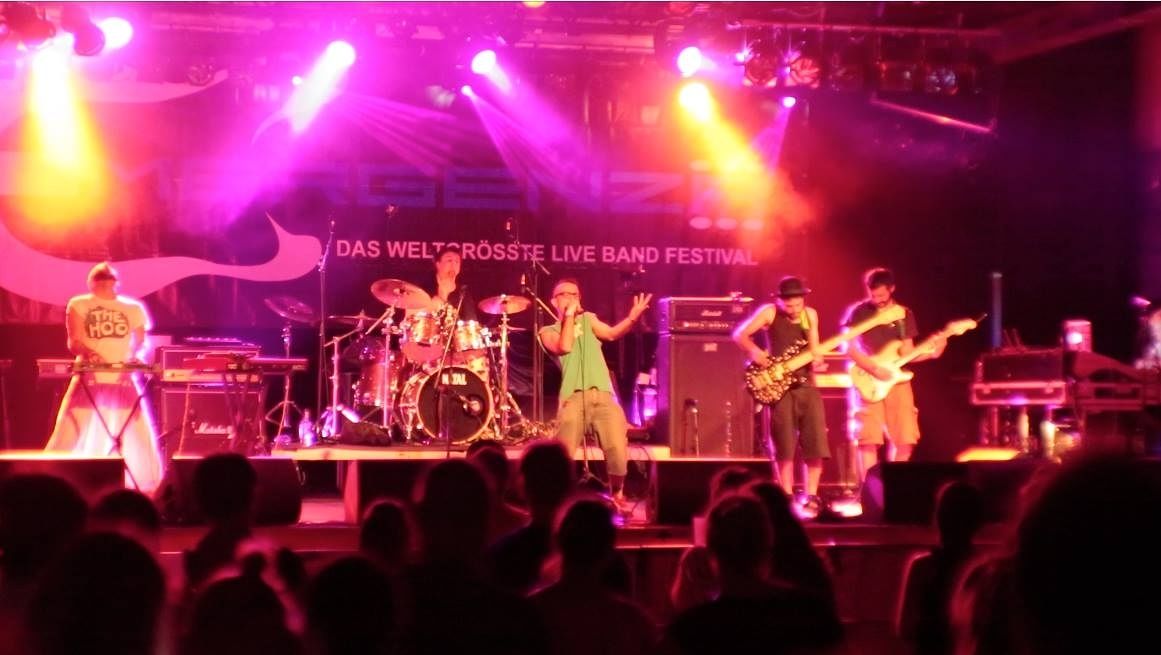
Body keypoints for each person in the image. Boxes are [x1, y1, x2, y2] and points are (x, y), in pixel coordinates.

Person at [44, 262, 163, 494]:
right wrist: (89, 353)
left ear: (115, 283)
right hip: (90, 377)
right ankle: (50, 481)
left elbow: (140, 341)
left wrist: (134, 355)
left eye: (109, 280)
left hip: (122, 378)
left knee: (136, 432)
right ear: (92, 283)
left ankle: (149, 488)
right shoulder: (79, 304)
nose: (105, 284)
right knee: (71, 429)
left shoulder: (132, 308)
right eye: (101, 281)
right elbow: (74, 341)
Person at [537, 278, 651, 509]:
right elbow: (564, 346)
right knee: (563, 454)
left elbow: (611, 334)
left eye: (575, 294)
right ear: (553, 302)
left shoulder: (589, 319)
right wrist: (569, 316)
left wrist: (632, 318)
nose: (571, 297)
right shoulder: (547, 331)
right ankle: (558, 502)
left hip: (603, 396)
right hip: (573, 398)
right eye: (564, 294)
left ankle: (617, 494)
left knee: (617, 450)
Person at [733, 276, 829, 512]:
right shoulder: (770, 312)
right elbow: (739, 335)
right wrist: (755, 352)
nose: (794, 310)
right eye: (789, 305)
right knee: (784, 443)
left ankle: (812, 495)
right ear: (779, 301)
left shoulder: (810, 315)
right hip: (779, 386)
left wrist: (818, 361)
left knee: (815, 442)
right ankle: (785, 494)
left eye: (798, 304)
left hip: (807, 384)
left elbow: (815, 349)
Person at [842, 268, 944, 475]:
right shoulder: (859, 312)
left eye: (881, 295)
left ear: (892, 289)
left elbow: (908, 353)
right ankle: (870, 488)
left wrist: (932, 354)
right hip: (869, 378)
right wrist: (873, 368)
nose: (877, 299)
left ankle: (894, 483)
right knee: (868, 438)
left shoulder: (904, 314)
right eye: (873, 295)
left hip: (897, 379)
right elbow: (849, 348)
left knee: (906, 437)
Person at [426, 244, 477, 322]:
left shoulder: (463, 292)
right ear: (438, 264)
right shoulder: (425, 286)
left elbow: (470, 323)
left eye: (457, 262)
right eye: (449, 260)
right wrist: (441, 297)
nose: (453, 265)